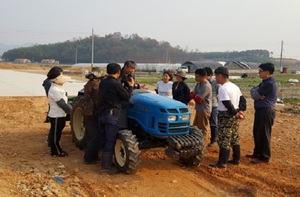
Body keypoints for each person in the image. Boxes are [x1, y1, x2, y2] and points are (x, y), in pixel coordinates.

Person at [98, 63, 134, 174]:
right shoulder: (116, 84)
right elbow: (127, 97)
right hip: (112, 114)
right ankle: (106, 167)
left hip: (102, 113)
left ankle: (104, 162)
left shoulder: (103, 82)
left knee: (104, 138)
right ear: (118, 72)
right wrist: (131, 86)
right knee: (111, 140)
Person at [209, 67, 246, 168]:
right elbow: (243, 100)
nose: (215, 78)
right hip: (234, 114)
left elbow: (227, 103)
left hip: (226, 115)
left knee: (224, 138)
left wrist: (235, 113)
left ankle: (222, 162)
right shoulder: (235, 86)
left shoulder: (223, 88)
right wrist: (240, 111)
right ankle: (236, 158)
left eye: (216, 76)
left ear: (220, 76)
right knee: (234, 137)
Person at [248, 62, 277, 164]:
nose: (259, 73)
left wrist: (256, 93)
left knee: (264, 134)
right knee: (257, 132)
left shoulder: (269, 83)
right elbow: (253, 92)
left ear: (267, 72)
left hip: (266, 111)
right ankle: (257, 153)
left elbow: (256, 94)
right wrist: (255, 92)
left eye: (260, 71)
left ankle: (264, 156)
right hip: (261, 110)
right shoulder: (264, 82)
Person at [47, 66, 72, 157]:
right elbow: (62, 104)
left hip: (60, 114)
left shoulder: (58, 87)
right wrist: (72, 112)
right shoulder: (54, 90)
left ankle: (56, 148)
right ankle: (55, 151)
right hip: (56, 115)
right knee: (55, 134)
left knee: (57, 132)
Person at [82, 68, 103, 164]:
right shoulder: (95, 85)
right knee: (94, 136)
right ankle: (89, 158)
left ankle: (91, 156)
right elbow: (98, 100)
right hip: (92, 112)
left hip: (88, 111)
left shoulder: (89, 83)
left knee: (90, 134)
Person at [189, 68, 212, 138]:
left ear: (203, 77)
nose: (195, 78)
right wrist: (194, 96)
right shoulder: (198, 84)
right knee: (195, 126)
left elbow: (199, 100)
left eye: (197, 76)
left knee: (202, 127)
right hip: (199, 108)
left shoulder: (206, 86)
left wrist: (194, 96)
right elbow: (191, 95)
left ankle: (202, 142)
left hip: (204, 109)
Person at [204, 67, 220, 147]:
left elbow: (219, 94)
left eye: (205, 75)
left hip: (213, 106)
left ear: (210, 75)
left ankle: (214, 140)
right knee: (203, 123)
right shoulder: (202, 82)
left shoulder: (215, 83)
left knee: (213, 123)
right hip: (204, 106)